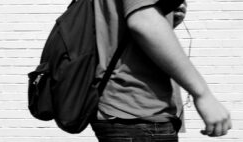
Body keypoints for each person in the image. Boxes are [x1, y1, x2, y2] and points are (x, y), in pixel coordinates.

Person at [90, 0, 232, 141]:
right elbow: (144, 21)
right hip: (137, 111)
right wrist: (203, 94)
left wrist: (166, 19)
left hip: (129, 112)